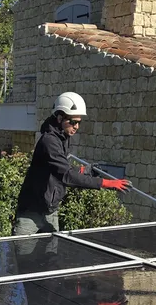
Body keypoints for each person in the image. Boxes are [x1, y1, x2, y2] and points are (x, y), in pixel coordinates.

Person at [13, 91, 129, 235]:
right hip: (30, 214)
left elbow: (60, 169)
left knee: (50, 256)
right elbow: (66, 176)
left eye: (79, 122)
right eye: (73, 122)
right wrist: (106, 183)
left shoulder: (63, 138)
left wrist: (84, 170)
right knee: (26, 257)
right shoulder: (49, 141)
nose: (76, 126)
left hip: (50, 211)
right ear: (60, 117)